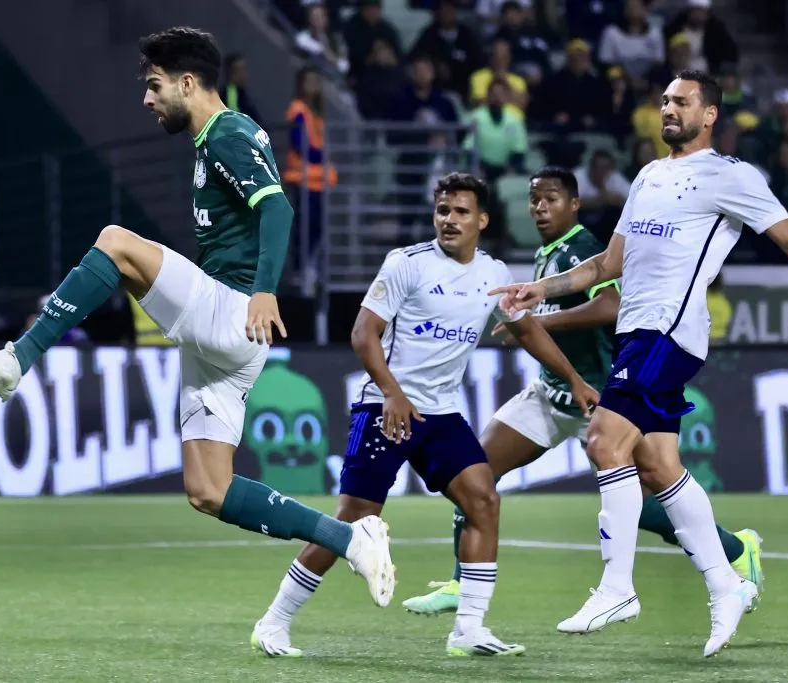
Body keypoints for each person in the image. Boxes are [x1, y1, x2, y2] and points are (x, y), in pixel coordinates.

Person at [0, 26, 396, 607]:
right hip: (223, 339)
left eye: (154, 85)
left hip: (234, 312)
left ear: (188, 82)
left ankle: (19, 358)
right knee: (208, 490)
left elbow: (278, 209)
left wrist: (266, 291)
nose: (147, 99)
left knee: (117, 242)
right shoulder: (210, 142)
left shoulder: (229, 132)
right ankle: (349, 538)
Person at [489, 70, 788, 657]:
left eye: (681, 101)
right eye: (663, 100)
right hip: (637, 332)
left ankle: (617, 587)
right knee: (657, 466)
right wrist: (541, 290)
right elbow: (606, 264)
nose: (668, 108)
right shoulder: (649, 175)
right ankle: (726, 583)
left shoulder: (731, 175)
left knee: (604, 443)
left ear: (709, 114)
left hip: (669, 331)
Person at [250, 172, 600, 658]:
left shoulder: (494, 275)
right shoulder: (406, 264)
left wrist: (576, 379)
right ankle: (274, 621)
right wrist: (392, 393)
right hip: (384, 408)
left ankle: (469, 629)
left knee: (483, 501)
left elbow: (528, 333)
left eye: (460, 212)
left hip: (440, 415)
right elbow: (363, 334)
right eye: (442, 211)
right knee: (350, 525)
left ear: (482, 220)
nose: (449, 220)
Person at [402, 168, 764, 617]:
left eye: (550, 199)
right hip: (551, 394)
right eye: (534, 200)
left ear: (574, 204)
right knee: (472, 471)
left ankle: (734, 549)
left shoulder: (585, 247)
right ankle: (462, 582)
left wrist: (539, 323)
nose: (540, 208)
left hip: (596, 395)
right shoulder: (547, 252)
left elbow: (612, 306)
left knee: (651, 496)